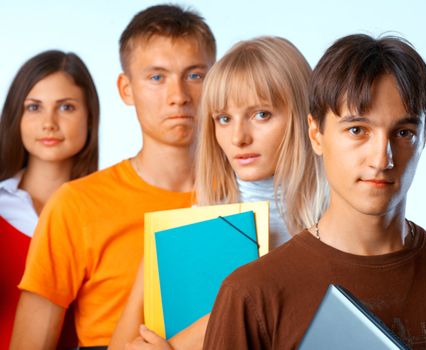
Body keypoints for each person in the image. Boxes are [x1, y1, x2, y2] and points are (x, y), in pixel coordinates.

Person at [202, 34, 426, 349]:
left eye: (403, 133)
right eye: (357, 130)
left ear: (424, 138)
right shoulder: (251, 294)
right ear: (316, 134)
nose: (382, 159)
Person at [10, 4, 216, 349]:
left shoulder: (249, 197)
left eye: (195, 75)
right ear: (126, 89)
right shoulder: (76, 205)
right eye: (156, 77)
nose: (178, 97)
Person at [110, 36, 327, 350]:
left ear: (304, 118)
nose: (239, 137)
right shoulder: (189, 228)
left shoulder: (340, 224)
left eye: (261, 114)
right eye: (224, 119)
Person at [0, 49, 99, 349]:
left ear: (90, 117)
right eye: (34, 107)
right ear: (16, 115)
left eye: (66, 107)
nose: (49, 123)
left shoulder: (106, 210)